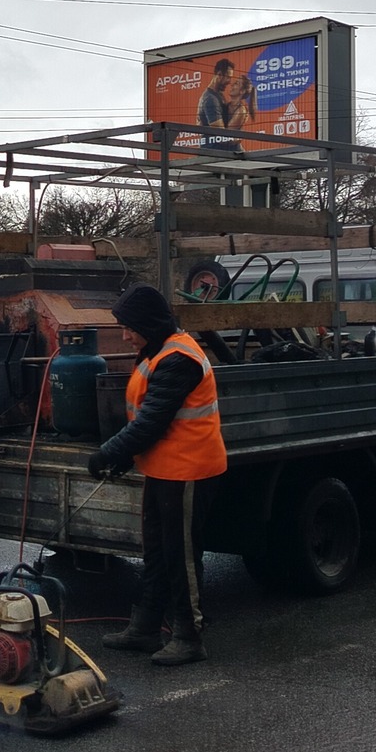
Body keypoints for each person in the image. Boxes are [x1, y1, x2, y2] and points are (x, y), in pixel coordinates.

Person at [89, 283, 227, 666]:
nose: (124, 334)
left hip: (188, 471)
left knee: (180, 556)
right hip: (164, 469)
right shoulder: (156, 351)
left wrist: (109, 453)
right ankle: (145, 627)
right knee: (156, 552)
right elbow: (149, 420)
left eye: (128, 326)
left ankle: (189, 635)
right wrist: (127, 457)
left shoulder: (179, 358)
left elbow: (152, 420)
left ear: (148, 324)